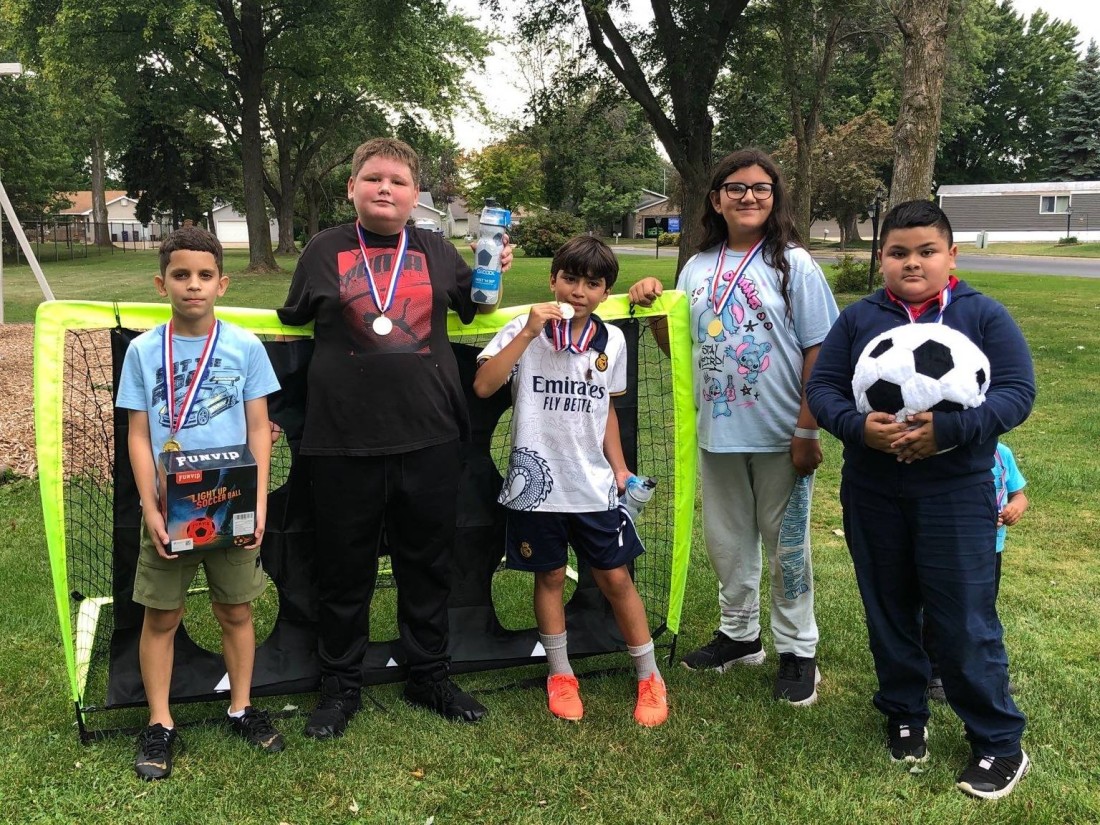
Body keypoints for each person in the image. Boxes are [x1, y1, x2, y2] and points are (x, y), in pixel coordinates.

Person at [277, 137, 512, 738]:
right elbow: (294, 316)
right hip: (341, 441)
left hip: (429, 436)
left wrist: (495, 271)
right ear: (352, 188)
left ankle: (428, 674)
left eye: (399, 181)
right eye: (374, 179)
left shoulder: (437, 248)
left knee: (427, 564)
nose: (386, 189)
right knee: (343, 569)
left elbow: (474, 306)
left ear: (415, 195)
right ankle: (339, 686)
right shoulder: (323, 249)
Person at [806, 199, 1036, 800]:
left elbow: (1017, 392)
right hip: (873, 489)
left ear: (951, 256)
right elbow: (825, 388)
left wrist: (949, 431)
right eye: (899, 252)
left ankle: (998, 741)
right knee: (888, 607)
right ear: (881, 257)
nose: (913, 263)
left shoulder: (981, 316)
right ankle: (905, 712)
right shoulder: (859, 320)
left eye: (926, 251)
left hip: (955, 491)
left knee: (963, 616)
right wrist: (859, 430)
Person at [628, 148, 838, 706]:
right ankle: (739, 636)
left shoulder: (794, 263)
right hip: (717, 434)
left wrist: (808, 430)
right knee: (727, 544)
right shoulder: (696, 268)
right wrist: (651, 309)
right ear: (716, 199)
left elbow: (822, 348)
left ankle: (798, 650)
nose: (749, 197)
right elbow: (684, 349)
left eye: (761, 188)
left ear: (776, 198)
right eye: (736, 188)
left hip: (780, 435)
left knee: (786, 546)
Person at [472, 236, 668, 726]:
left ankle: (649, 676)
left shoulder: (614, 340)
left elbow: (606, 411)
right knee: (551, 576)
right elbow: (483, 386)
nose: (580, 290)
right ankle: (560, 674)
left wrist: (620, 468)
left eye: (593, 283)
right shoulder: (524, 327)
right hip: (535, 487)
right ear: (553, 280)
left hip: (592, 484)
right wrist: (525, 334)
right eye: (571, 279)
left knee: (615, 577)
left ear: (605, 292)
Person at [116, 226, 284, 781]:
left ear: (223, 283)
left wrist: (257, 500)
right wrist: (150, 506)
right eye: (181, 275)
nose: (193, 286)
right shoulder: (143, 350)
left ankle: (241, 706)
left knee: (236, 609)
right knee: (162, 615)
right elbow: (138, 435)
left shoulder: (244, 346)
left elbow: (260, 428)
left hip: (231, 501)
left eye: (204, 276)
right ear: (160, 282)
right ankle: (160, 722)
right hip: (169, 506)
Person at [927, 439, 1028, 701]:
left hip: (990, 549)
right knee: (940, 609)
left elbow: (1019, 494)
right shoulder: (946, 451)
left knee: (982, 611)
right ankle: (935, 673)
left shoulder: (1001, 452)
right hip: (951, 548)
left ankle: (986, 674)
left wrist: (1015, 507)